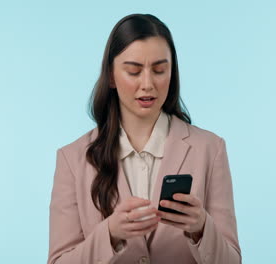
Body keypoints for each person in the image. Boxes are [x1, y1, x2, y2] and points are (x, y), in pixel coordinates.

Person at [47, 13, 241, 264]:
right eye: (133, 71)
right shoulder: (72, 159)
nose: (148, 84)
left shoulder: (210, 149)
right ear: (111, 76)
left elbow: (232, 261)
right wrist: (110, 234)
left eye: (160, 70)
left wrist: (202, 228)